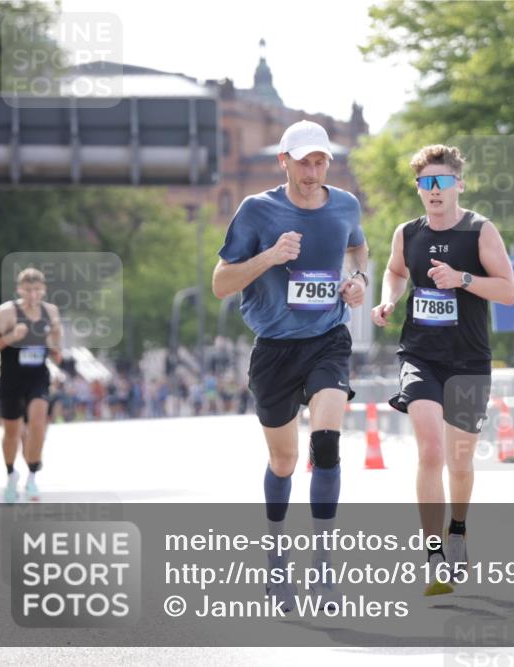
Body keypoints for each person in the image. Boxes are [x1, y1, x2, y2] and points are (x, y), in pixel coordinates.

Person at [212, 119, 368, 611]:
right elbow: (221, 283)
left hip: (328, 339)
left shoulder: (344, 203)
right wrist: (270, 257)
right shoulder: (257, 210)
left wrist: (358, 278)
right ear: (284, 161)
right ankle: (277, 557)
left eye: (320, 160)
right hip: (275, 347)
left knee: (325, 443)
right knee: (283, 461)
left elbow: (357, 243)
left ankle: (323, 566)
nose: (313, 170)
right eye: (304, 161)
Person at [372, 144, 514, 595]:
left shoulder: (480, 231)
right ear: (418, 188)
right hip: (420, 355)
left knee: (459, 460)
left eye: (441, 182)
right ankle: (432, 548)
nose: (433, 191)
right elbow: (396, 272)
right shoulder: (406, 233)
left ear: (458, 184)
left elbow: (509, 292)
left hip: (469, 359)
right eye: (425, 183)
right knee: (431, 451)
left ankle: (457, 530)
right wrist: (389, 299)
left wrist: (463, 279)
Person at [0, 268, 63, 503]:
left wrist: (56, 349)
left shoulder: (50, 312)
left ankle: (33, 476)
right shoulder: (6, 313)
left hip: (38, 377)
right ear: (19, 290)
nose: (33, 295)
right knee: (11, 433)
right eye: (28, 290)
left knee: (38, 422)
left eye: (37, 290)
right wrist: (9, 338)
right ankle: (11, 474)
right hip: (11, 378)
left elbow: (56, 337)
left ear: (44, 290)